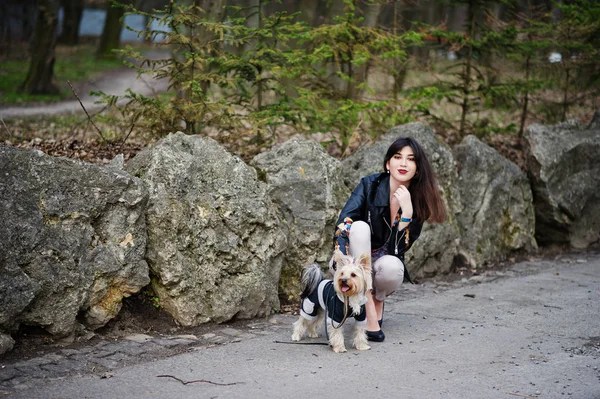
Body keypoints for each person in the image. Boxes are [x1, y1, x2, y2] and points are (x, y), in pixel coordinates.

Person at [331, 136, 447, 342]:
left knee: (394, 267)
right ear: (387, 163)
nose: (403, 163)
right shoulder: (369, 185)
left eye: (411, 159)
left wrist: (407, 213)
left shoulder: (418, 201)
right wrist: (341, 257)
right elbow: (344, 222)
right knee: (358, 226)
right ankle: (368, 307)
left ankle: (377, 299)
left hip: (383, 265)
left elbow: (397, 251)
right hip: (353, 262)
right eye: (397, 157)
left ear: (418, 169)